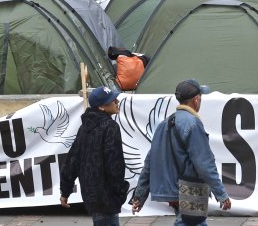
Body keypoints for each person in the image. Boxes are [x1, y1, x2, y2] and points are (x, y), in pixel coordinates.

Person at [131, 79, 231, 225]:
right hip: (189, 190)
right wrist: (221, 193)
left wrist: (139, 195)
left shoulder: (164, 124)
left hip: (173, 190)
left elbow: (149, 163)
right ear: (196, 100)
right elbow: (204, 164)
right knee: (190, 222)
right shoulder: (193, 124)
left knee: (189, 221)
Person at [60, 85, 128, 226]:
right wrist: (120, 191)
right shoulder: (110, 127)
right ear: (102, 107)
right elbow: (115, 165)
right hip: (107, 197)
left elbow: (72, 160)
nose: (117, 102)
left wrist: (65, 191)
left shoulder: (84, 127)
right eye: (113, 100)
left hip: (91, 195)